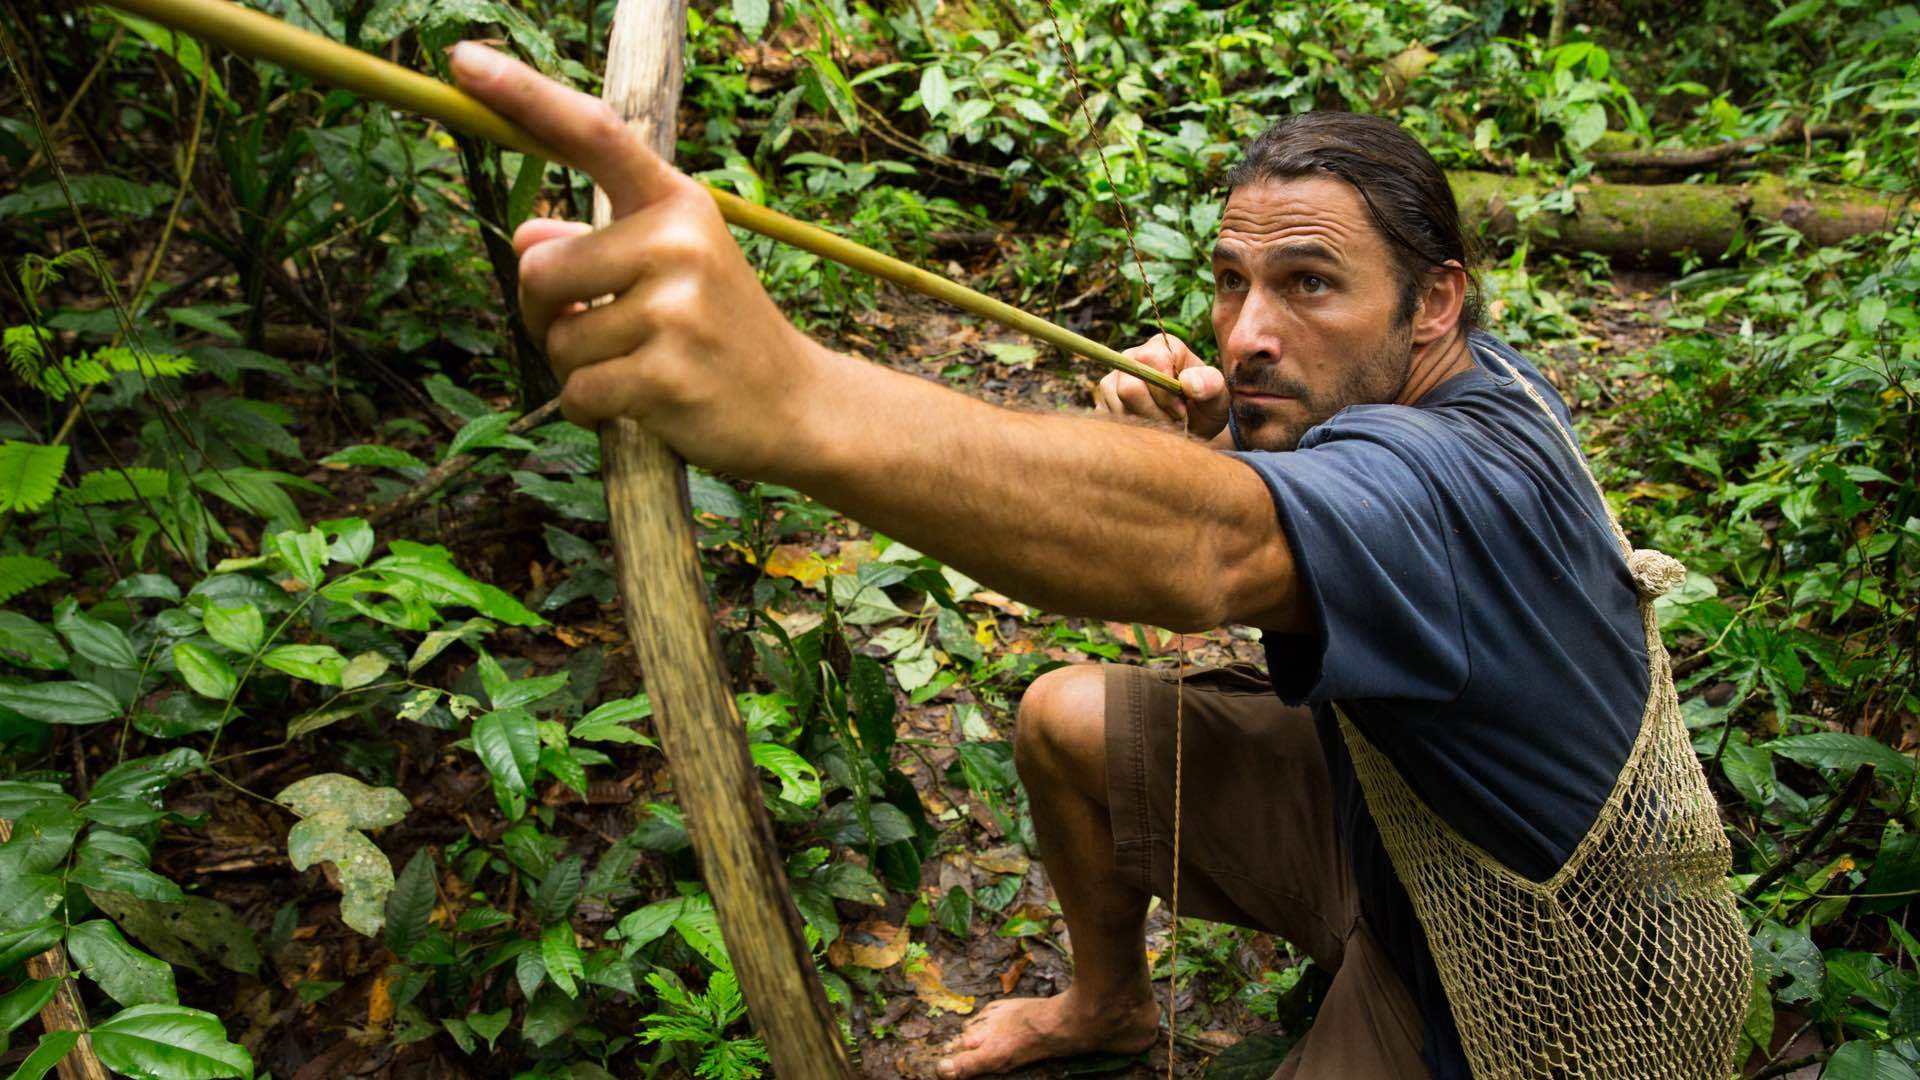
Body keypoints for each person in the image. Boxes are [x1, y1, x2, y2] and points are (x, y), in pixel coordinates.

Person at [450, 42, 1749, 1080]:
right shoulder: (1450, 382)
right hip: (1402, 839)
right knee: (1067, 723)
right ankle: (1108, 1004)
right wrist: (1218, 443)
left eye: (1310, 283)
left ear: (1436, 302)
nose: (1246, 333)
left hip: (1549, 996)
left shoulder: (1462, 479)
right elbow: (1285, 488)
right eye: (1232, 281)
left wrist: (792, 398)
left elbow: (1217, 539)